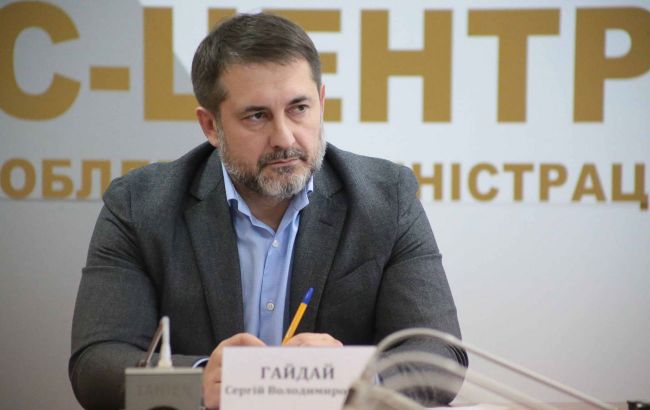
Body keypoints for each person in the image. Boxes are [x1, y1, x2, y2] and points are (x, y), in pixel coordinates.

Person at [69, 12, 466, 410]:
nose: (284, 138)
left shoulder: (386, 199)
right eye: (257, 116)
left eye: (299, 108)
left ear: (322, 103)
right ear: (211, 126)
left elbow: (441, 360)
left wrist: (356, 376)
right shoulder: (140, 206)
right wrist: (197, 382)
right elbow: (96, 366)